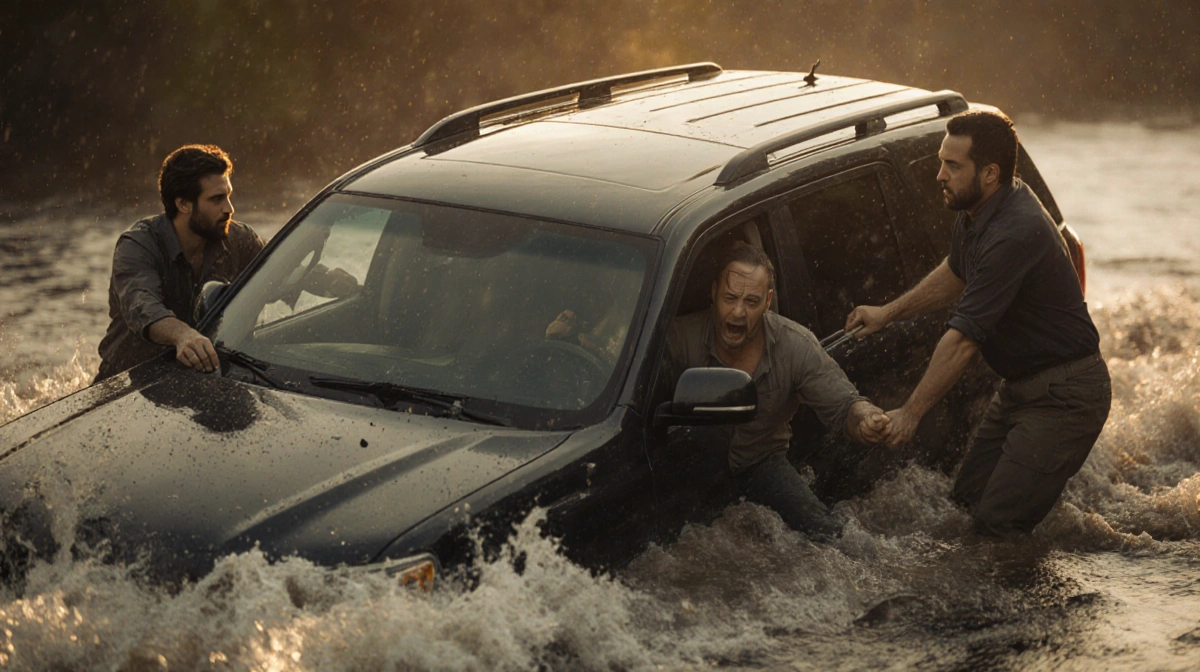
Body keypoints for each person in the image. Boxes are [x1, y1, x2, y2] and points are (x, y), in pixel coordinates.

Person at [845, 110, 1110, 539]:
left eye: (952, 165)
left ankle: (1027, 604)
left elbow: (964, 340)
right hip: (1022, 386)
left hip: (1065, 397)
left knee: (997, 524)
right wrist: (887, 312)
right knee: (965, 502)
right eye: (941, 161)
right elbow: (955, 271)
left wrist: (911, 414)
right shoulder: (979, 209)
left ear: (989, 173)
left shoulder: (1011, 233)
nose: (939, 175)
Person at [666, 242, 891, 539]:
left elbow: (844, 403)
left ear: (768, 300)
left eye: (751, 301)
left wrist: (866, 417)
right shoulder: (678, 340)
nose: (737, 312)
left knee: (834, 538)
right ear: (713, 293)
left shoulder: (794, 345)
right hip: (694, 467)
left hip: (763, 464)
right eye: (729, 297)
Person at [95, 145, 356, 382]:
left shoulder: (238, 239)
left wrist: (327, 280)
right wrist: (183, 335)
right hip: (126, 384)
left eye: (229, 196)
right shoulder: (138, 245)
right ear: (183, 204)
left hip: (197, 376)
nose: (230, 208)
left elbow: (276, 270)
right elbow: (142, 307)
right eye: (216, 199)